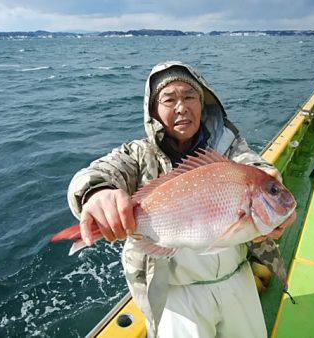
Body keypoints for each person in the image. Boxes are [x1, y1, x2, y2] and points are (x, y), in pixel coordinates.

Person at [67, 61, 295, 338]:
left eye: (189, 96)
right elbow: (99, 172)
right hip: (175, 295)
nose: (181, 107)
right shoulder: (138, 154)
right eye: (169, 99)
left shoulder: (229, 146)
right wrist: (97, 192)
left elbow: (253, 165)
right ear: (154, 111)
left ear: (203, 103)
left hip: (238, 278)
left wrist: (270, 180)